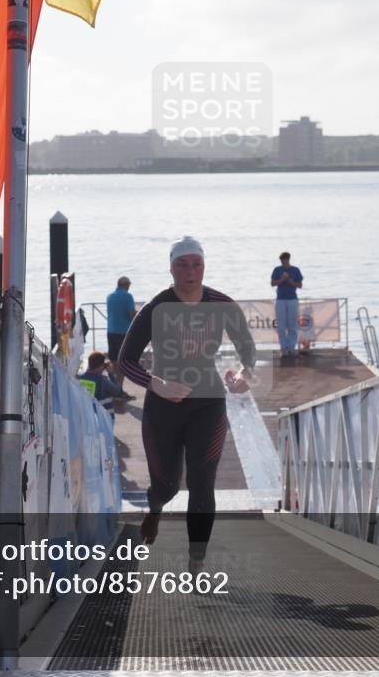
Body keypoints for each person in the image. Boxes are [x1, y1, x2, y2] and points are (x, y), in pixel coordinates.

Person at [116, 236, 256, 570]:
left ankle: (196, 560)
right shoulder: (157, 308)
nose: (191, 271)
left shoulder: (222, 304)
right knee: (166, 485)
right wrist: (156, 384)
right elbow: (125, 361)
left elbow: (248, 350)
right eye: (183, 264)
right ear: (171, 267)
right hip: (163, 407)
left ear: (204, 267)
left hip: (208, 403)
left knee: (202, 480)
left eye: (197, 264)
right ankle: (155, 508)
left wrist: (244, 376)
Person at [270, 251, 303, 356]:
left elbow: (299, 285)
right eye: (281, 260)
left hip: (292, 299)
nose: (283, 262)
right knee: (281, 326)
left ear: (288, 259)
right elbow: (272, 283)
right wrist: (282, 279)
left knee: (292, 325)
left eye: (285, 260)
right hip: (280, 299)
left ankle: (291, 347)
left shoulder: (295, 270)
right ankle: (284, 348)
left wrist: (289, 280)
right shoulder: (277, 270)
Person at [78, 351, 127, 416]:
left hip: (88, 415)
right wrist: (111, 373)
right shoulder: (102, 380)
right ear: (100, 366)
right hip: (104, 417)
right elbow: (117, 392)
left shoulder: (80, 378)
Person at [106, 276, 136, 363]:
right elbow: (131, 315)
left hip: (111, 331)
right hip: (123, 332)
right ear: (126, 285)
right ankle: (120, 377)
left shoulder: (109, 296)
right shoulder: (128, 296)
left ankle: (114, 376)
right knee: (123, 360)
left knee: (114, 359)